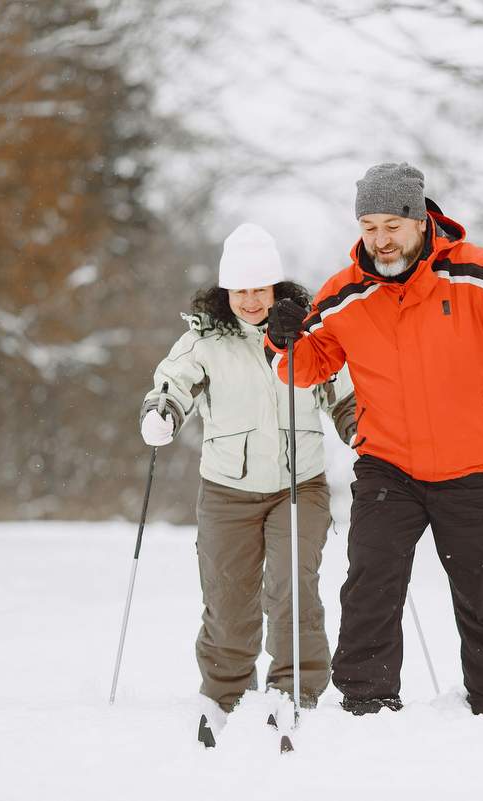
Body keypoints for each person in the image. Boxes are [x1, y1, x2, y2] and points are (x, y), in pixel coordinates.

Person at [264, 162, 483, 716]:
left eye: (391, 226)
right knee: (370, 583)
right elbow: (303, 367)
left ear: (419, 219)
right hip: (389, 466)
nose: (379, 240)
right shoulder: (342, 295)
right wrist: (279, 336)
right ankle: (366, 702)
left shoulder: (477, 273)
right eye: (368, 227)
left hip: (477, 465)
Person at [139, 222, 355, 723]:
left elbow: (342, 393)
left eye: (260, 288)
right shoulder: (205, 340)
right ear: (226, 292)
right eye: (241, 290)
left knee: (290, 585)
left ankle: (295, 688)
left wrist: (361, 430)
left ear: (276, 287)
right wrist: (161, 413)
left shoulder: (307, 335)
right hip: (226, 491)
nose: (251, 300)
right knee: (227, 593)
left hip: (298, 486)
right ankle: (224, 692)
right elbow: (173, 383)